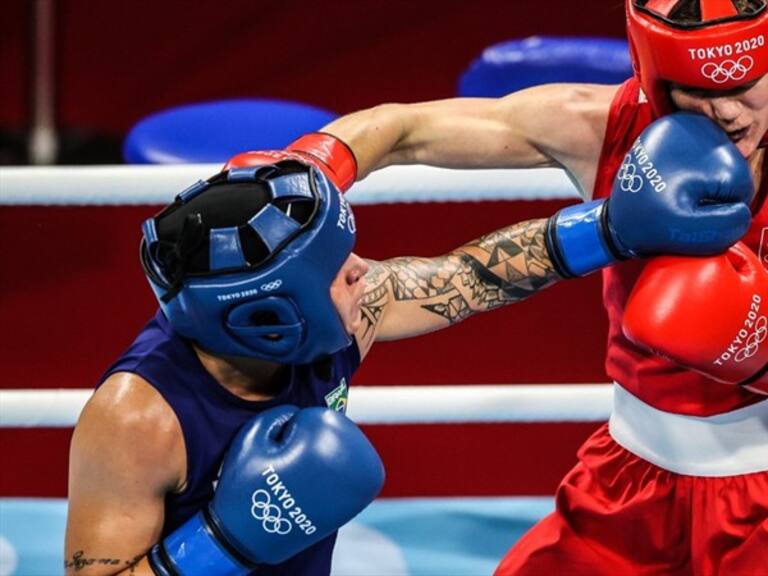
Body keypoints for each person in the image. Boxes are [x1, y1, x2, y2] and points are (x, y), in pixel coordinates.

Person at [65, 104, 755, 574]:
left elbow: (468, 276)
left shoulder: (336, 324)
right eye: (340, 273)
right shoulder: (138, 418)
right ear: (273, 319)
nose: (368, 273)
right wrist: (223, 544)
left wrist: (607, 229)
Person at [291, 1, 766, 574]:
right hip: (629, 484)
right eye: (694, 90)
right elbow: (405, 130)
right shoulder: (609, 127)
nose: (725, 111)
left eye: (746, 84)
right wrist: (305, 167)